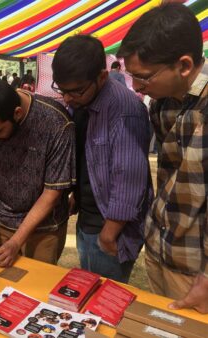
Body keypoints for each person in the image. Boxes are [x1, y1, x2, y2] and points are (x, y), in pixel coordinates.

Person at [118, 2, 208, 313]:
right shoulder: (161, 102)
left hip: (196, 269)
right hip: (159, 248)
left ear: (184, 65)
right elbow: (169, 178)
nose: (138, 88)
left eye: (143, 77)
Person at [52, 35, 152, 283]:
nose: (67, 98)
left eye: (75, 91)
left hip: (109, 228)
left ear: (102, 77)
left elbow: (130, 179)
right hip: (88, 217)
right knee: (88, 289)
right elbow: (91, 160)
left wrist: (109, 234)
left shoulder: (125, 110)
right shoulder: (83, 101)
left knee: (104, 301)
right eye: (62, 90)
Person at [0, 80, 75, 267]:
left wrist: (17, 241)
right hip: (2, 222)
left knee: (35, 289)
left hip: (44, 230)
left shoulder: (56, 124)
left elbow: (52, 193)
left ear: (17, 113)